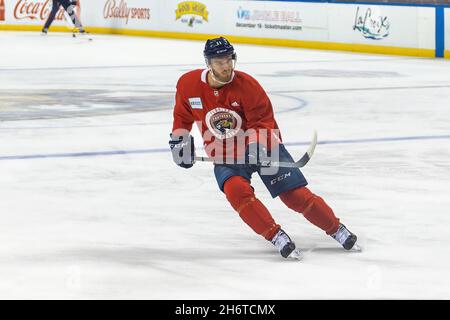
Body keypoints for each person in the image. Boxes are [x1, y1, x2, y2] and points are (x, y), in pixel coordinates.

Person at [169, 37, 360, 260]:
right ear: (208, 63)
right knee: (236, 191)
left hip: (264, 145)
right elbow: (182, 116)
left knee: (294, 195)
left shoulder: (248, 86)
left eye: (229, 59)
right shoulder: (188, 84)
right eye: (220, 61)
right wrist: (179, 140)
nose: (226, 66)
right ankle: (276, 235)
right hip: (225, 153)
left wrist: (256, 145)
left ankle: (336, 229)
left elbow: (263, 122)